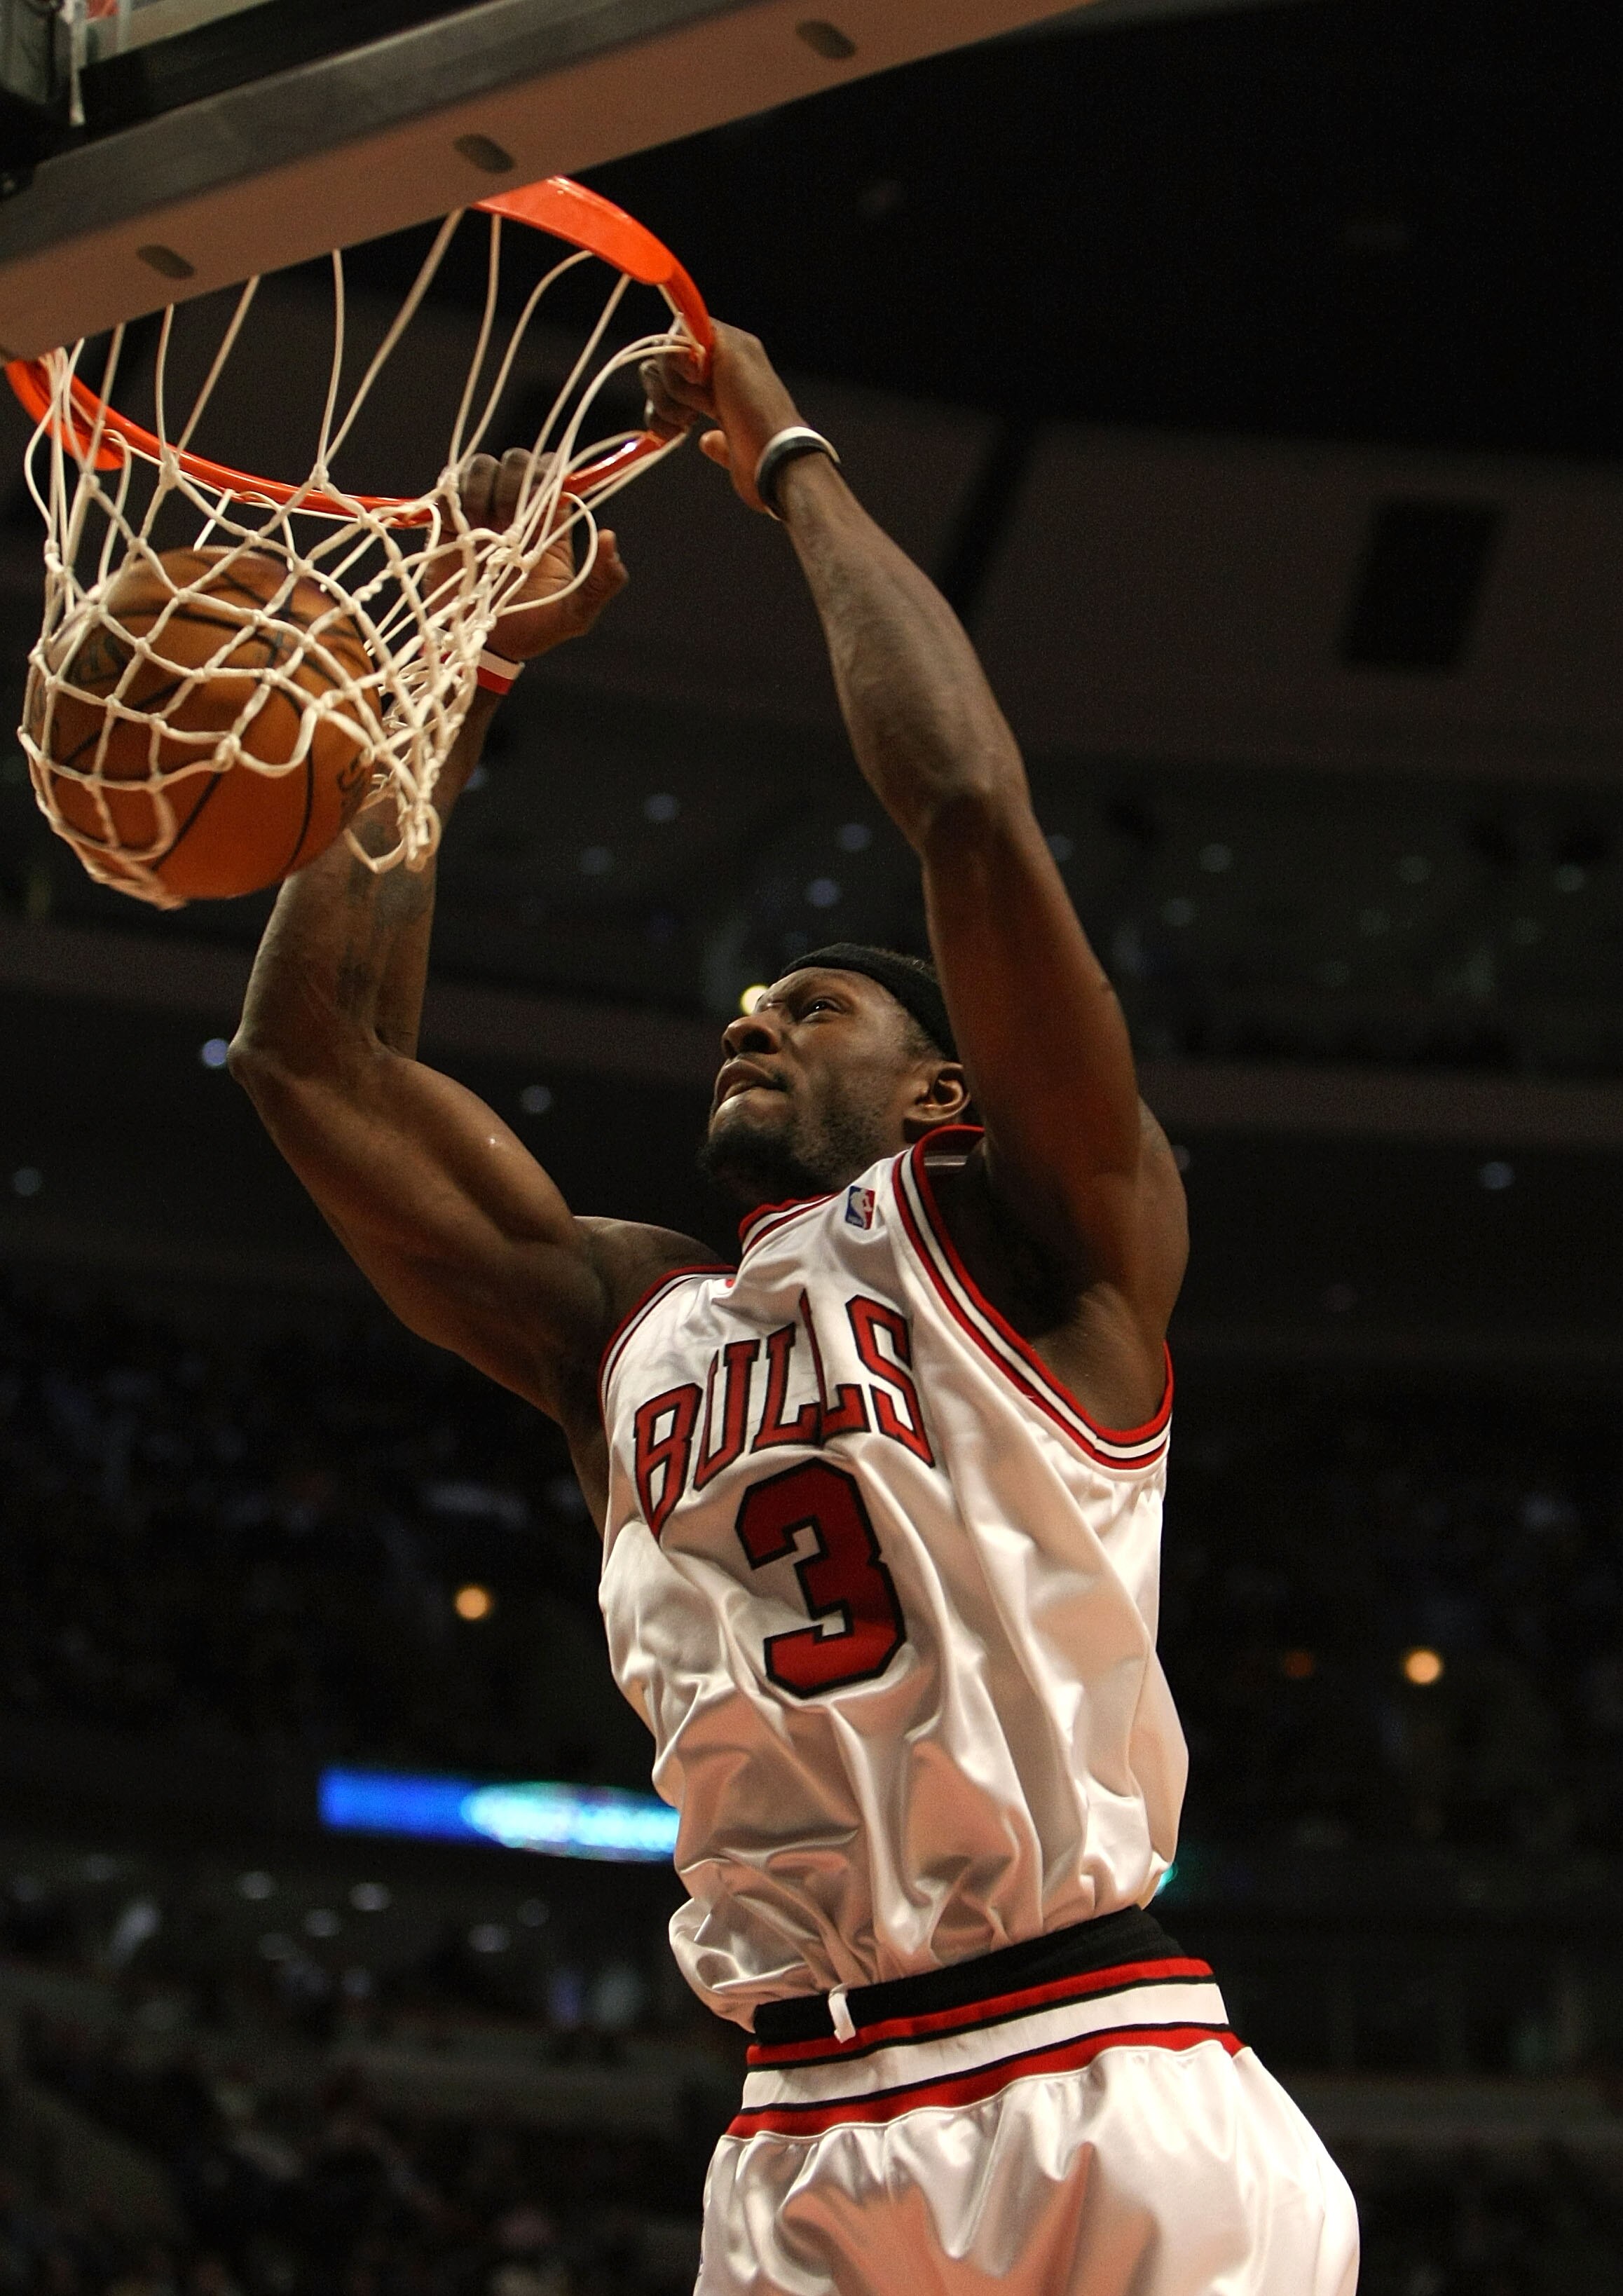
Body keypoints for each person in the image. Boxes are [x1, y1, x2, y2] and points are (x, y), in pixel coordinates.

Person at [230, 326, 1359, 2295]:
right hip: (800, 2130)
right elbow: (307, 1059)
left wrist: (789, 462)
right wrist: (455, 654)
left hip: (1100, 2076)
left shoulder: (1040, 1238)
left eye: (813, 1007)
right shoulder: (623, 1319)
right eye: (745, 1008)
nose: (751, 1020)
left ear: (944, 1091)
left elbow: (968, 811)